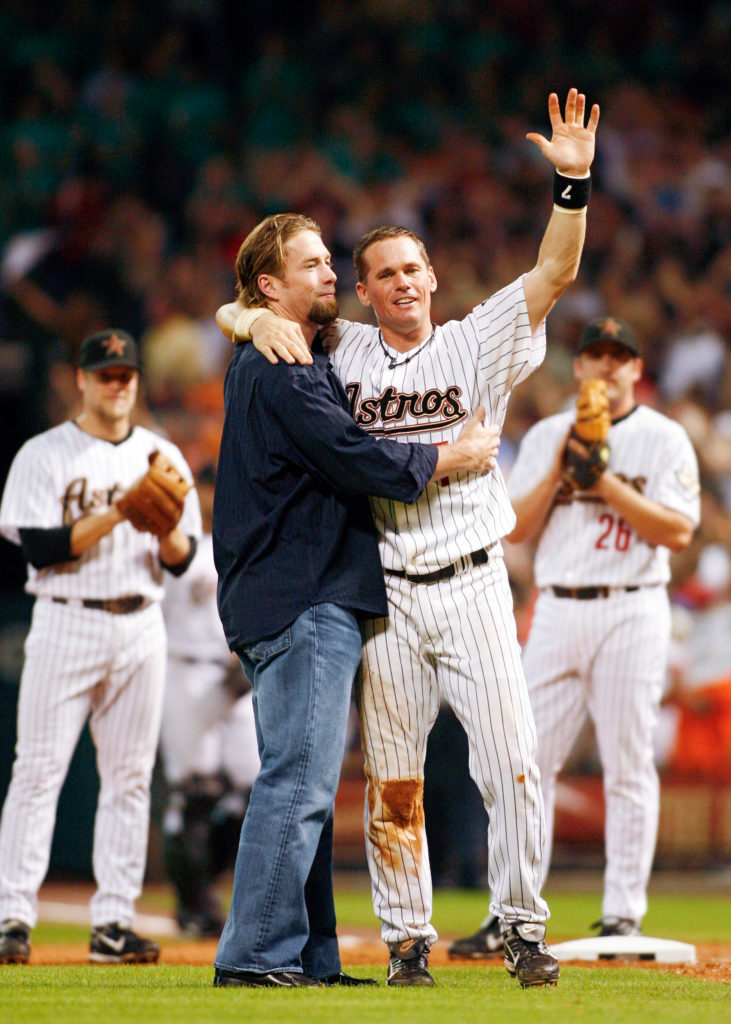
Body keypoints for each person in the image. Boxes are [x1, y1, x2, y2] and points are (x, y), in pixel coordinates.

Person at [219, 88, 599, 988]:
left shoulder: (477, 341)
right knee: (394, 785)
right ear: (362, 290)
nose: (401, 282)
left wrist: (573, 184)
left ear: (433, 277)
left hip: (469, 580)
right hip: (385, 594)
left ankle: (518, 926)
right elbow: (251, 313)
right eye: (382, 272)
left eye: (412, 269)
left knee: (511, 763)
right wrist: (249, 315)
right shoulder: (336, 348)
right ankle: (405, 942)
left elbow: (552, 274)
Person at [211, 212, 501, 989]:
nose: (329, 273)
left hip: (292, 593)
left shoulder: (280, 346)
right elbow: (349, 455)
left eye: (327, 261)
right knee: (298, 784)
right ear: (270, 285)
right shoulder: (279, 363)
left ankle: (308, 957)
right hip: (301, 594)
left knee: (299, 779)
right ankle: (254, 958)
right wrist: (450, 455)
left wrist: (240, 314)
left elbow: (241, 313)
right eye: (310, 266)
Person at [449, 315, 700, 959]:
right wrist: (565, 475)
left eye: (620, 357)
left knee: (628, 762)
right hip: (558, 609)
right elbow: (516, 529)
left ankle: (622, 915)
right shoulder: (550, 435)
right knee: (524, 764)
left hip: (633, 607)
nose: (608, 368)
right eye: (597, 355)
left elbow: (677, 532)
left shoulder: (665, 438)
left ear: (637, 370)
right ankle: (511, 914)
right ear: (580, 366)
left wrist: (605, 483)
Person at [0, 328, 201, 965]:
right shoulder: (44, 453)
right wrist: (120, 512)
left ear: (135, 381)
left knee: (130, 780)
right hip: (66, 617)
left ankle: (114, 923)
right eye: (105, 374)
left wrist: (163, 527)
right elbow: (40, 547)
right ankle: (11, 919)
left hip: (140, 622)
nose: (117, 384)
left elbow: (181, 558)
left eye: (125, 374)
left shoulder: (162, 454)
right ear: (81, 380)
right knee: (37, 773)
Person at [159, 462, 259, 939]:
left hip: (237, 674)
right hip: (185, 670)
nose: (211, 495)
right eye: (205, 486)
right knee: (194, 796)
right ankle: (192, 904)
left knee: (256, 791)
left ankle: (213, 888)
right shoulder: (171, 544)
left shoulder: (243, 537)